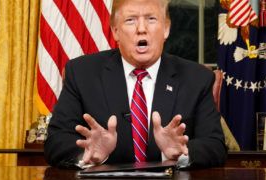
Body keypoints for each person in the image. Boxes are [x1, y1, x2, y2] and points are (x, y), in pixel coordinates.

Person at [44, 0, 226, 169]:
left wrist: (180, 153)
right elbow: (55, 142)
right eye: (130, 20)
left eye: (151, 19)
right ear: (115, 31)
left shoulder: (197, 78)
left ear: (166, 29)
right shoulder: (82, 73)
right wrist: (89, 154)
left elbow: (215, 146)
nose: (141, 29)